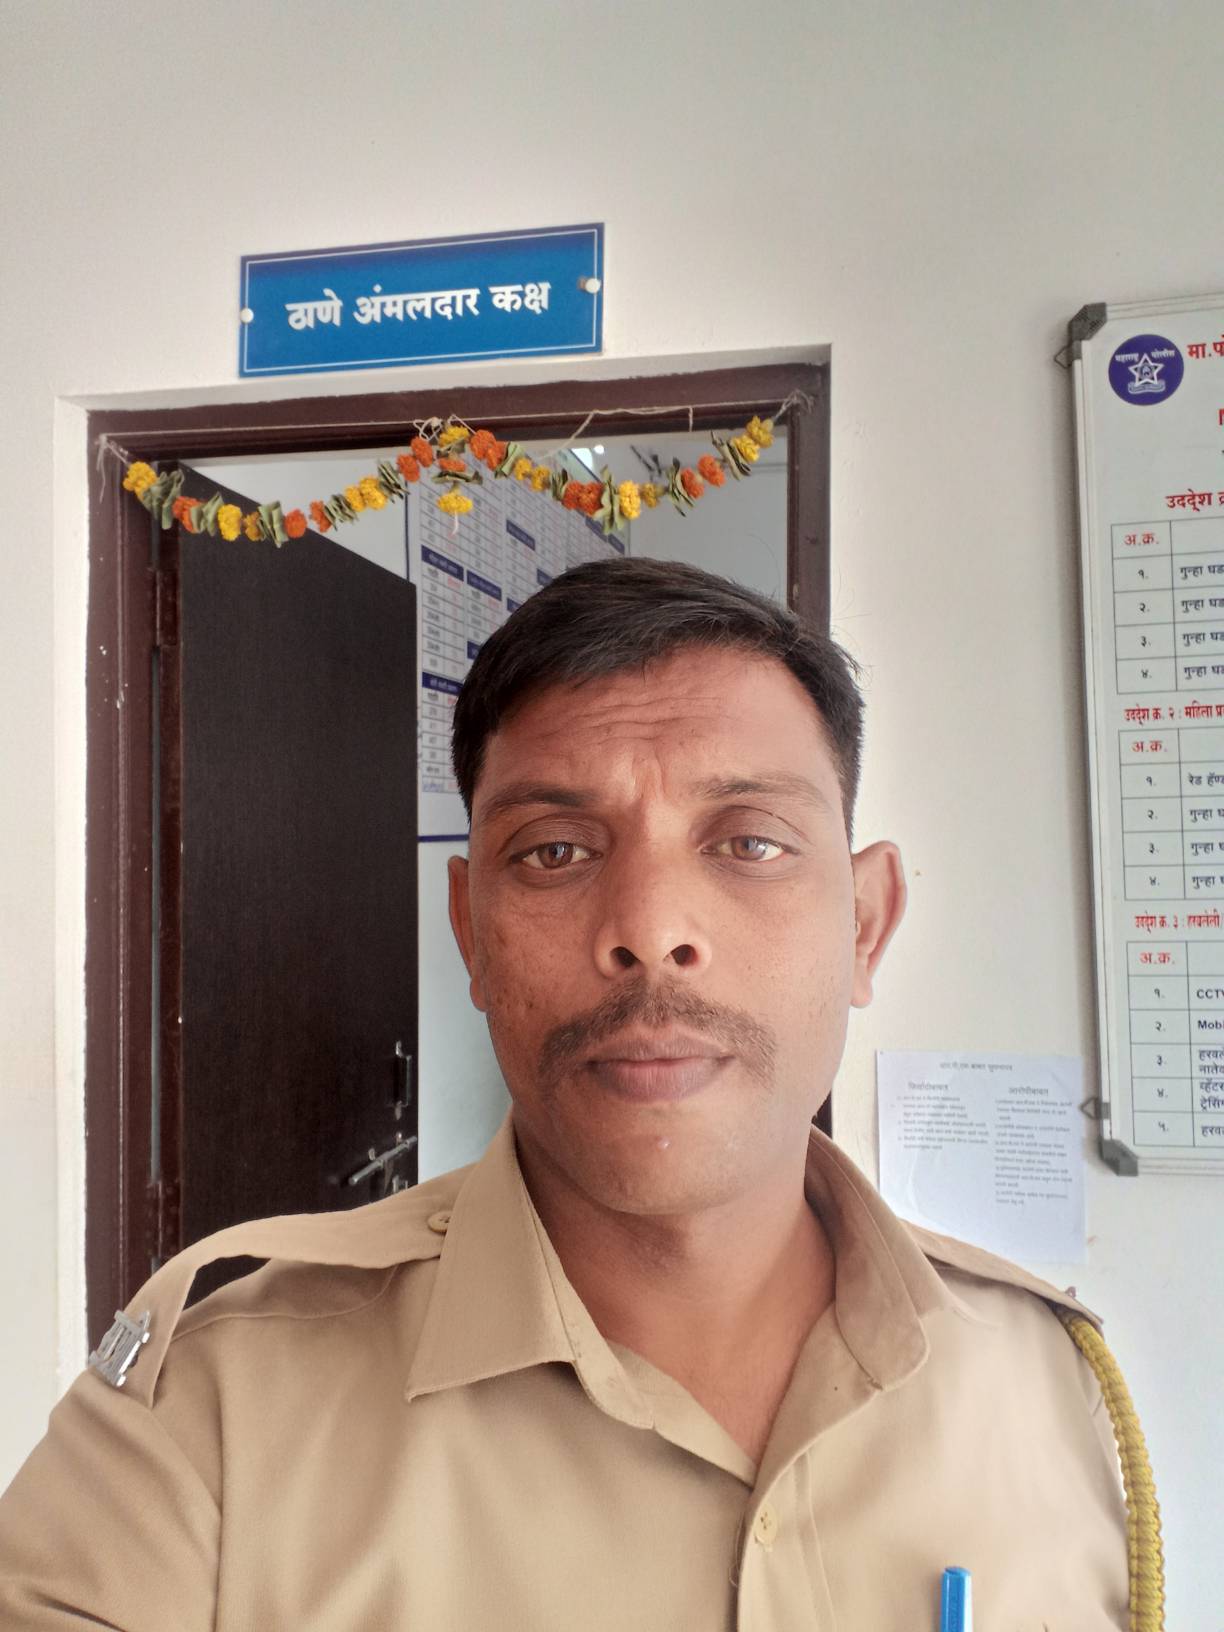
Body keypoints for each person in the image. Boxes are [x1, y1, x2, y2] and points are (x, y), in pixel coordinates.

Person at [0, 557, 1133, 1629]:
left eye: (748, 842)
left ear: (865, 924)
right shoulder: (202, 1420)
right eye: (554, 852)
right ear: (470, 933)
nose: (649, 929)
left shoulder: (1054, 1389)